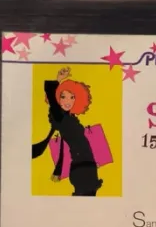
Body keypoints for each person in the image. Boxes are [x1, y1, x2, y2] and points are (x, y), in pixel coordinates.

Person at [32, 67, 103, 196]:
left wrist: (91, 161)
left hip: (87, 164)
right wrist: (58, 79)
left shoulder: (71, 117)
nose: (67, 101)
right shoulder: (60, 117)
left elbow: (81, 142)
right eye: (63, 97)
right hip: (81, 167)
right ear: (58, 98)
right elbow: (51, 96)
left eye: (72, 97)